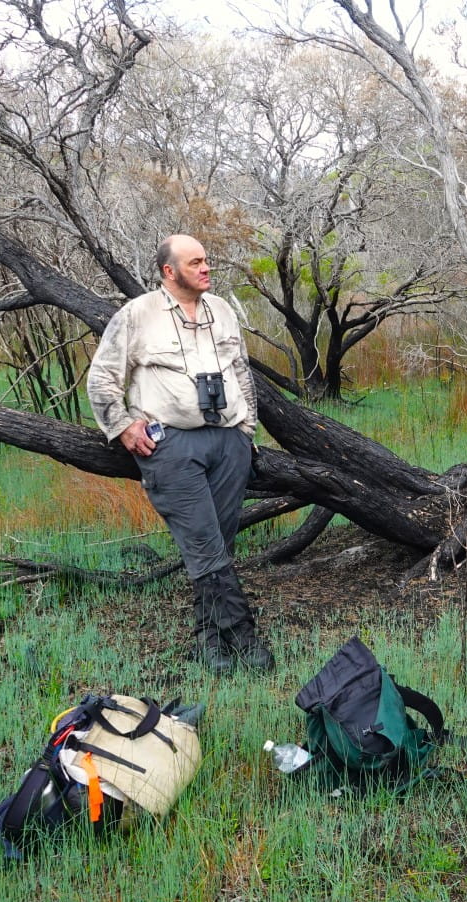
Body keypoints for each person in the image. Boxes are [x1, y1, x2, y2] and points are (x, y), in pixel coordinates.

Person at [87, 234, 271, 674]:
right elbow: (102, 377)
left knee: (217, 543)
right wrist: (123, 426)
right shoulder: (138, 314)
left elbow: (241, 371)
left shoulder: (222, 310)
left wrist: (246, 430)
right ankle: (244, 636)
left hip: (228, 441)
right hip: (171, 445)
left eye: (206, 260)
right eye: (195, 263)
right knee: (205, 543)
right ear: (169, 271)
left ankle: (209, 640)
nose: (206, 268)